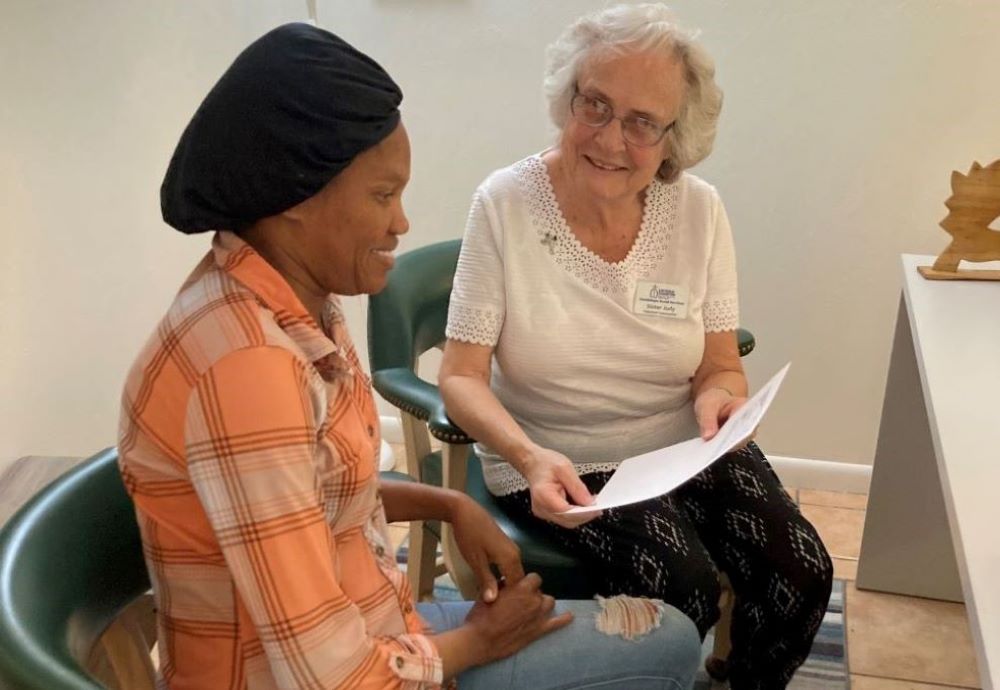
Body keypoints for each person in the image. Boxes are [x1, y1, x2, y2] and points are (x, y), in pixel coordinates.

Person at [118, 22, 701, 690]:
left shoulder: (289, 301)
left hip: (382, 628)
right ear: (295, 199)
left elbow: (317, 495)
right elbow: (329, 676)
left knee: (660, 636)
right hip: (316, 674)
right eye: (381, 195)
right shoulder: (245, 371)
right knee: (669, 644)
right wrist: (477, 643)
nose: (401, 222)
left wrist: (452, 505)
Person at [438, 5, 834, 689]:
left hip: (681, 447)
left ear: (675, 136)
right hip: (557, 460)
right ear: (568, 97)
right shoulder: (504, 203)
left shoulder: (700, 210)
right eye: (594, 104)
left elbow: (718, 364)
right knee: (680, 588)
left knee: (801, 571)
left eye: (642, 122)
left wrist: (722, 404)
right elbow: (460, 376)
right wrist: (531, 458)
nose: (610, 138)